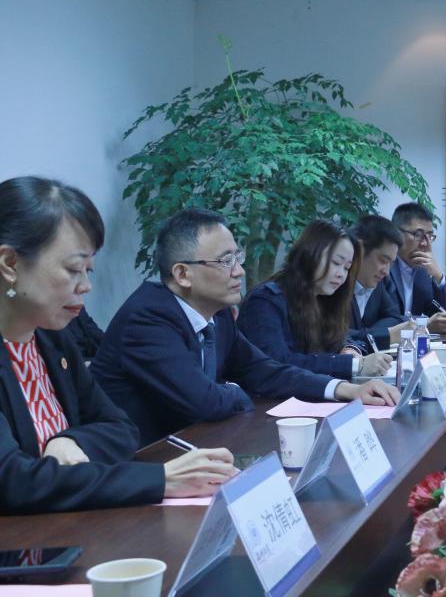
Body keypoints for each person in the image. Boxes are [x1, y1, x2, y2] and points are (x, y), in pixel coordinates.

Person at [0, 177, 235, 513]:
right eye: (73, 269)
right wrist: (160, 480)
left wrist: (71, 439)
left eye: (88, 270)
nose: (86, 286)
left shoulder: (51, 337)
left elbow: (121, 427)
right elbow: (12, 481)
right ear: (10, 264)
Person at [92, 209, 400, 446]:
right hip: (145, 460)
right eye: (226, 260)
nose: (239, 271)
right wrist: (237, 390)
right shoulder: (148, 318)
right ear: (183, 274)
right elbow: (205, 403)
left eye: (237, 257)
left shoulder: (218, 315)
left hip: (198, 446)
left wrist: (346, 389)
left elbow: (264, 369)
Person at [237, 220, 392, 379]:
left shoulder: (322, 297)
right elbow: (278, 362)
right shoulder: (265, 301)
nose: (341, 274)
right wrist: (354, 365)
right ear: (310, 254)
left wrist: (349, 349)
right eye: (336, 263)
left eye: (346, 268)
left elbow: (342, 337)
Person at [345, 215, 408, 351]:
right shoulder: (335, 283)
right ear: (359, 250)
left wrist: (367, 334)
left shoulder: (376, 282)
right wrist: (384, 335)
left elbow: (394, 317)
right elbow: (333, 337)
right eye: (383, 260)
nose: (386, 271)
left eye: (390, 263)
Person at [391, 202, 446, 333]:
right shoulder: (383, 268)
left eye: (429, 236)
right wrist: (424, 325)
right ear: (397, 234)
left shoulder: (423, 272)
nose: (425, 243)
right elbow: (386, 320)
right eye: (418, 235)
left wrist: (438, 276)